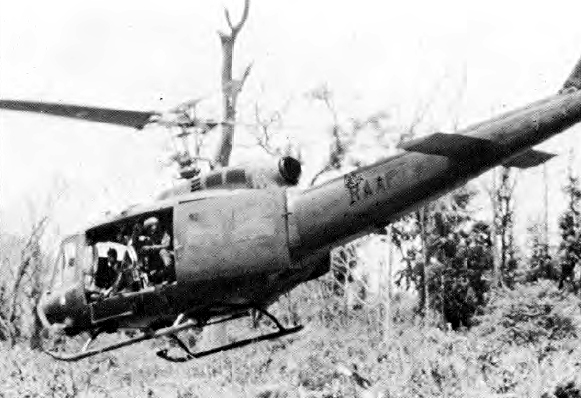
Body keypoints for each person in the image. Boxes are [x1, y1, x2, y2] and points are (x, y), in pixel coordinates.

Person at [139, 217, 174, 284]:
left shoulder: (164, 233)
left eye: (150, 227)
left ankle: (170, 274)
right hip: (156, 260)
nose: (149, 230)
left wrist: (152, 247)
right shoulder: (149, 237)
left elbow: (166, 245)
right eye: (148, 228)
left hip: (169, 253)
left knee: (162, 252)